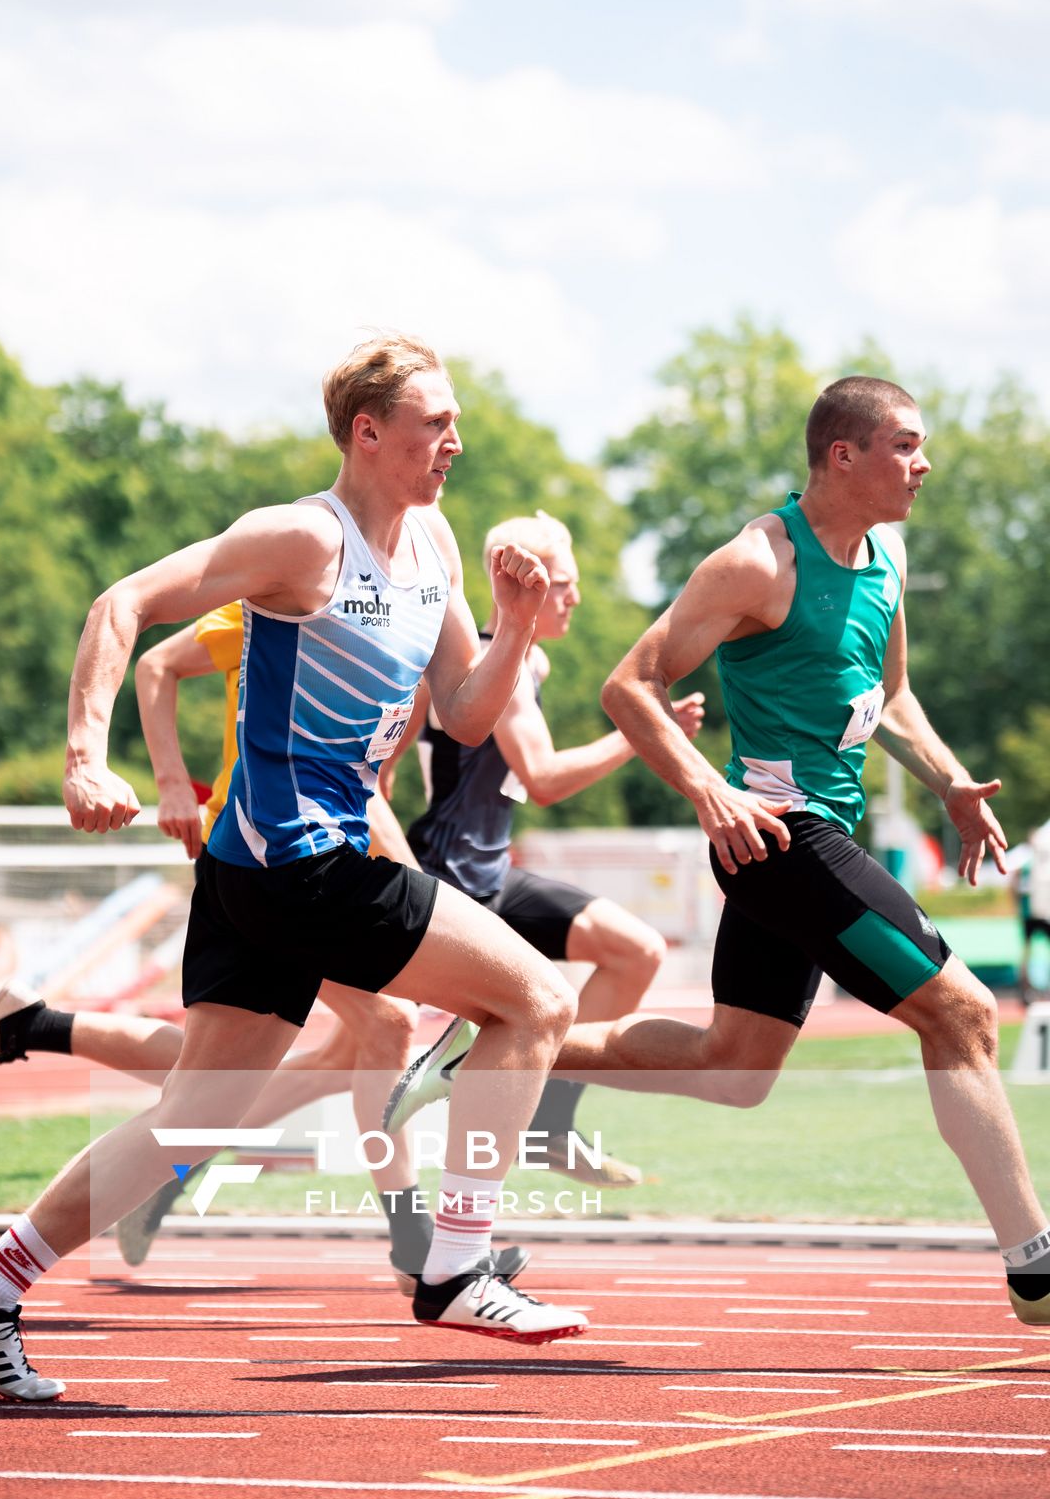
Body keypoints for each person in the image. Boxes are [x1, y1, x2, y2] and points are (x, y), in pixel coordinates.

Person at [0, 332, 588, 1403]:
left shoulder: (434, 546)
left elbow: (466, 711)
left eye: (454, 419)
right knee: (534, 1002)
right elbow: (122, 607)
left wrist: (513, 626)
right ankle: (456, 1265)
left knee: (197, 1117)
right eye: (434, 422)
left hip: (256, 872)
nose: (453, 440)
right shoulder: (299, 541)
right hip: (303, 861)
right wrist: (86, 758)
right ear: (367, 432)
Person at [394, 376, 1050, 1326]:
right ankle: (1035, 1266)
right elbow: (632, 685)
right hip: (782, 840)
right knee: (963, 1012)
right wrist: (709, 787)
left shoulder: (889, 558)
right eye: (905, 445)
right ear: (844, 456)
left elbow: (893, 696)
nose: (924, 463)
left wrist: (947, 780)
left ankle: (482, 1056)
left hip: (806, 838)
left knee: (734, 1066)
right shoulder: (757, 562)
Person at [0, 600, 528, 1292]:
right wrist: (169, 785)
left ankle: (54, 1043)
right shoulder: (299, 593)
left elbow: (372, 786)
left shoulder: (412, 622)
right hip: (265, 849)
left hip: (331, 848)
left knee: (252, 1075)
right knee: (382, 1028)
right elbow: (155, 659)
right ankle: (411, 1244)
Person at [382, 508, 703, 1176]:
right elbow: (547, 780)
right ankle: (180, 1161)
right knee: (339, 1055)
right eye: (562, 583)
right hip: (450, 878)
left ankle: (549, 1126)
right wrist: (646, 733)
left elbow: (414, 730)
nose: (575, 598)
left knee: (635, 952)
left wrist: (385, 770)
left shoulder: (533, 665)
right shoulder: (486, 661)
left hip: (493, 871)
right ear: (518, 581)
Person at [1015, 818, 1050, 1005]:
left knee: (1028, 952)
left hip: (1037, 913)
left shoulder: (1033, 859)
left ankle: (1028, 989)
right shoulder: (1026, 860)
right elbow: (1014, 884)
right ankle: (1026, 989)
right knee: (1027, 952)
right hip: (1033, 914)